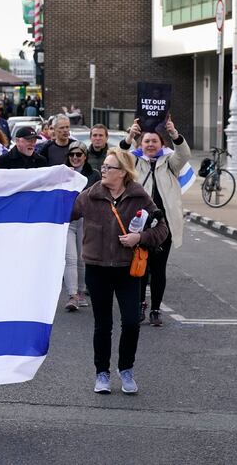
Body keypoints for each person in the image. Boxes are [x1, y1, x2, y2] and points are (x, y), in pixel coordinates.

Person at [72, 148, 168, 395]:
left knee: (131, 322)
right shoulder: (90, 196)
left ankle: (126, 369)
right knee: (103, 325)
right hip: (97, 268)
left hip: (127, 271)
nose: (103, 170)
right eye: (103, 166)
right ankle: (101, 373)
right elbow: (63, 212)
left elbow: (162, 230)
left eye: (109, 167)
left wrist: (140, 237)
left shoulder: (140, 197)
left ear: (123, 173)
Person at [121, 117, 190, 326]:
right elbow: (119, 157)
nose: (150, 145)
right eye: (146, 142)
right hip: (140, 225)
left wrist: (174, 133)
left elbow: (184, 154)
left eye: (154, 142)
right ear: (141, 145)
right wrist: (130, 136)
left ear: (162, 145)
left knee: (159, 269)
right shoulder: (134, 163)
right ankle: (141, 304)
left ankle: (156, 309)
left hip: (164, 226)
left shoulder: (170, 164)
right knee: (141, 265)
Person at [63, 140, 100, 311]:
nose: (75, 157)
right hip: (67, 220)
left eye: (79, 154)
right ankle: (72, 295)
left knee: (82, 259)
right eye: (72, 154)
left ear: (85, 156)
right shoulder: (62, 173)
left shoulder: (94, 175)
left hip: (86, 220)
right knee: (69, 258)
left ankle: (82, 292)